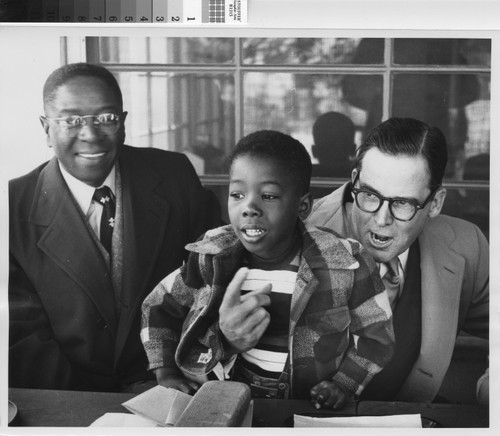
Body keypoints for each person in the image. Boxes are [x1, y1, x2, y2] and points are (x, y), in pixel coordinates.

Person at [141, 130, 394, 409]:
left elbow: (377, 336)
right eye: (237, 194)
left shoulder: (345, 264)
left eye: (269, 196)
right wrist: (165, 371)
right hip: (225, 400)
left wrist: (345, 384)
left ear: (302, 207)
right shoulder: (210, 257)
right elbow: (157, 306)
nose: (249, 207)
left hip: (306, 408)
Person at [9, 62, 221, 393]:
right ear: (46, 128)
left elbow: (210, 283)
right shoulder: (11, 206)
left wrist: (179, 368)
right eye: (72, 120)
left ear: (122, 122)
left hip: (168, 386)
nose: (90, 135)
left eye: (105, 118)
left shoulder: (175, 175)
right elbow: (16, 334)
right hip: (66, 399)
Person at [306, 117, 489, 402]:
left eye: (402, 203)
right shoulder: (298, 234)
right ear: (355, 180)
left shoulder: (466, 244)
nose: (381, 219)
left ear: (436, 203)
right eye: (368, 195)